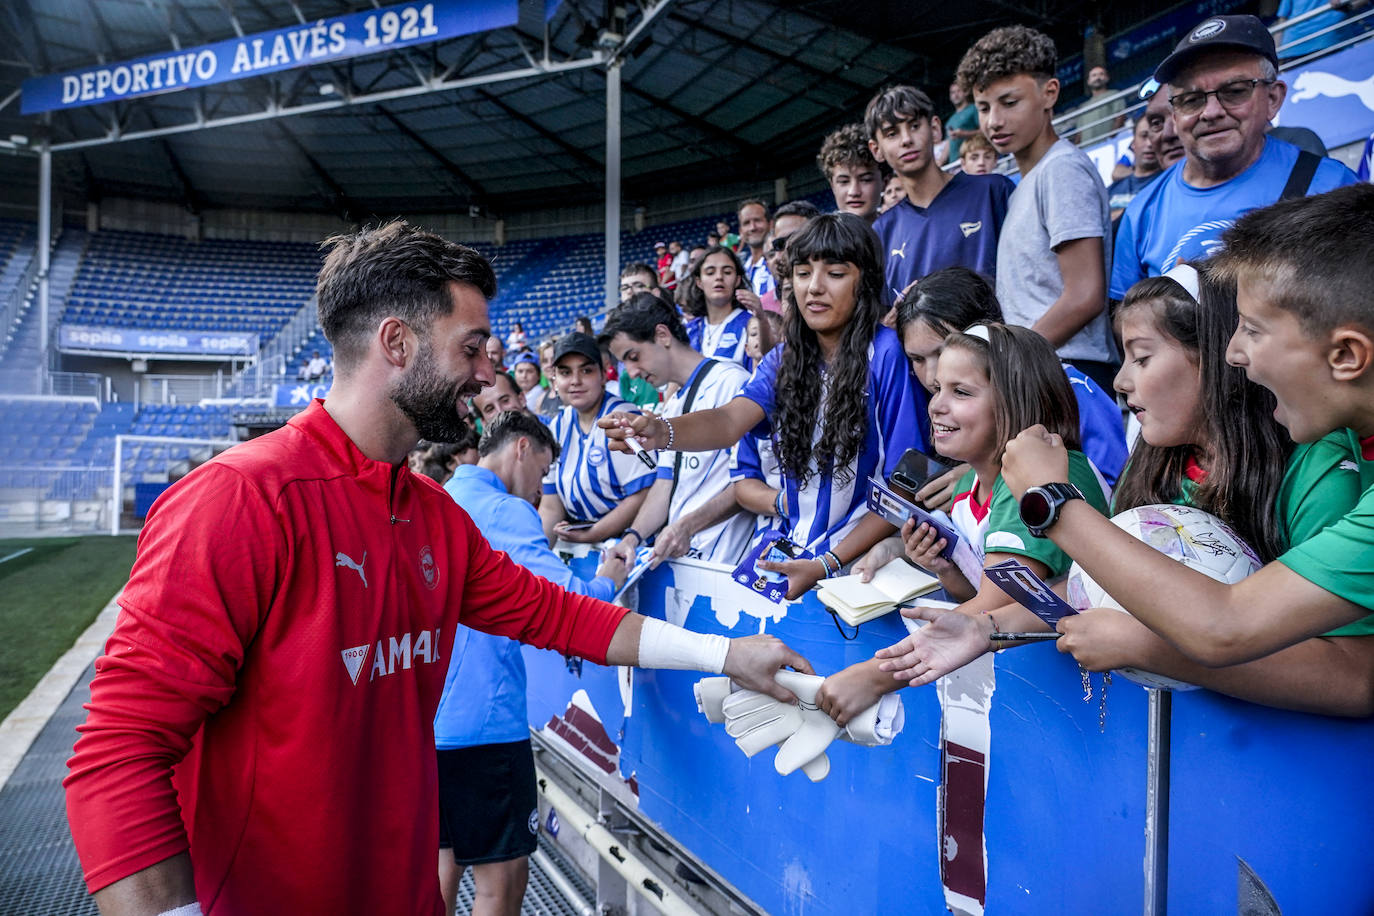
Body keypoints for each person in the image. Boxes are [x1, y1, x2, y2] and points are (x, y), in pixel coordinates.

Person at [62, 220, 810, 916]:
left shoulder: (431, 513)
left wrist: (725, 654)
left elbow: (561, 615)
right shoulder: (237, 501)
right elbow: (117, 757)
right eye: (472, 348)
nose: (490, 374)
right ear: (396, 343)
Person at [1000, 184, 1374, 667]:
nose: (1234, 355)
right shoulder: (1163, 461)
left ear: (1346, 355)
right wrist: (986, 626)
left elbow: (1232, 627)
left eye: (1253, 331)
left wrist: (1051, 499)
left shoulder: (1322, 471)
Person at [601, 213, 927, 600]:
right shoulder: (783, 360)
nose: (814, 288)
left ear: (866, 281)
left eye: (835, 274)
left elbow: (903, 488)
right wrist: (661, 432)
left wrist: (828, 562)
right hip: (795, 556)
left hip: (856, 570)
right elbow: (727, 422)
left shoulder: (889, 354)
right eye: (803, 274)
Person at [814, 322, 1112, 722]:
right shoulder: (968, 481)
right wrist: (944, 568)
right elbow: (977, 596)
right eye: (937, 388)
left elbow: (997, 605)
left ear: (1015, 402)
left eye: (961, 392)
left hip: (1084, 705)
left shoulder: (1044, 476)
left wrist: (874, 676)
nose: (936, 405)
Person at [436, 411, 629, 916]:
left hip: (431, 720)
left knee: (444, 864)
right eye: (543, 474)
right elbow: (565, 602)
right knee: (504, 880)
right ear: (521, 448)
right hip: (485, 725)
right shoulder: (505, 511)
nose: (541, 491)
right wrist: (607, 580)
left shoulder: (444, 495)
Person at [1110, 15, 1359, 300]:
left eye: (1235, 92)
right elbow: (1125, 318)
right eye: (1191, 99)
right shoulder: (1142, 210)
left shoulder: (1330, 185)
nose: (1211, 111)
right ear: (1175, 114)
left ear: (1273, 99)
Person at [959, 25, 1117, 391]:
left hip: (1068, 371)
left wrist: (1009, 359)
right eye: (983, 108)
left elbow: (1085, 295)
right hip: (1044, 367)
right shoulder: (1026, 183)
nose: (993, 121)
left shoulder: (1061, 169)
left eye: (1009, 102)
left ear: (1050, 94)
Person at [895, 268, 1127, 489]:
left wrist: (986, 477)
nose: (931, 375)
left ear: (987, 329)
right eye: (917, 359)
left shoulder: (1072, 389)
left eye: (943, 350)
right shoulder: (942, 402)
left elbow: (1110, 487)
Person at [601, 295, 755, 567]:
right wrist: (632, 538)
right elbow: (665, 484)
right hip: (685, 559)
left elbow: (750, 483)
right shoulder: (673, 405)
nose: (632, 372)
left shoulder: (731, 382)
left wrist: (688, 525)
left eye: (633, 357)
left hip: (726, 564)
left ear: (662, 335)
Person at [866, 84, 1014, 306]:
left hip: (999, 338)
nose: (906, 139)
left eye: (914, 126)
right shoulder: (882, 232)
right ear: (876, 149)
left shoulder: (993, 192)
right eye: (892, 133)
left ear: (935, 129)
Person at [540, 332, 657, 545]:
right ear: (554, 380)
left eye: (586, 371)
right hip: (583, 540)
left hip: (630, 543)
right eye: (565, 373)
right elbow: (550, 502)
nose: (575, 381)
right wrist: (538, 551)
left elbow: (645, 492)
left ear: (603, 375)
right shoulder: (557, 425)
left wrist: (595, 534)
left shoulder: (624, 418)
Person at [682, 245, 757, 370]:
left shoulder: (750, 326)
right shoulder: (689, 330)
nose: (719, 277)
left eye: (727, 272)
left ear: (737, 280)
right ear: (699, 282)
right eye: (710, 272)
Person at [757, 200, 821, 316]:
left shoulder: (839, 290)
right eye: (779, 244)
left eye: (794, 240)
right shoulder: (763, 306)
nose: (784, 252)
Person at [817, 123, 886, 223]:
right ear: (832, 186)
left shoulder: (902, 233)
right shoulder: (821, 238)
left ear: (884, 182)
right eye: (844, 181)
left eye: (866, 180)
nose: (854, 192)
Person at [1107, 117, 1162, 222]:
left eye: (1153, 137)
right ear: (1133, 143)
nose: (1149, 144)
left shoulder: (1169, 184)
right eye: (1144, 136)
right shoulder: (1110, 190)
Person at [1075, 65, 1127, 145]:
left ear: (1107, 78)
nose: (1097, 77)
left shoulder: (1114, 94)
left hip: (1108, 145)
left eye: (1101, 74)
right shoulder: (1083, 107)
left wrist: (1110, 138)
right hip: (1087, 149)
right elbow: (1079, 134)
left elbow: (1120, 117)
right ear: (1088, 81)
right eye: (1094, 75)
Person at [736, 199, 774, 297]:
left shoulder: (780, 263)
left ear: (770, 225)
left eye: (757, 220)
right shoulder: (742, 270)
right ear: (740, 231)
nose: (752, 227)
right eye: (746, 223)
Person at [943, 80, 981, 164]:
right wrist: (939, 162)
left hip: (974, 160)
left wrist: (964, 134)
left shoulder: (973, 109)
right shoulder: (950, 121)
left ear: (966, 92)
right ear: (950, 97)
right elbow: (948, 144)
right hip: (954, 164)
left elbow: (986, 131)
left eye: (958, 91)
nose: (955, 95)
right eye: (952, 92)